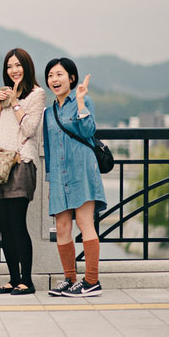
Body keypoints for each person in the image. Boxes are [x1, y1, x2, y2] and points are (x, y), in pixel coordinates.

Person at [42, 57, 106, 297]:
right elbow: (48, 149)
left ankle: (92, 281)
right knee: (61, 227)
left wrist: (79, 101)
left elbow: (89, 131)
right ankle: (69, 279)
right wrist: (50, 180)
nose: (54, 80)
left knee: (84, 222)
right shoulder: (49, 113)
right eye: (50, 75)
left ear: (71, 78)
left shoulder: (84, 100)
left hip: (82, 170)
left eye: (59, 74)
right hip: (59, 175)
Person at [0, 48, 46, 296]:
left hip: (21, 162)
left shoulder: (37, 94)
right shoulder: (7, 94)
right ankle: (12, 278)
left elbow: (30, 128)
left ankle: (27, 280)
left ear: (27, 66)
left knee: (18, 223)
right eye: (10, 66)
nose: (14, 70)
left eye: (18, 65)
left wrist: (15, 104)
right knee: (4, 225)